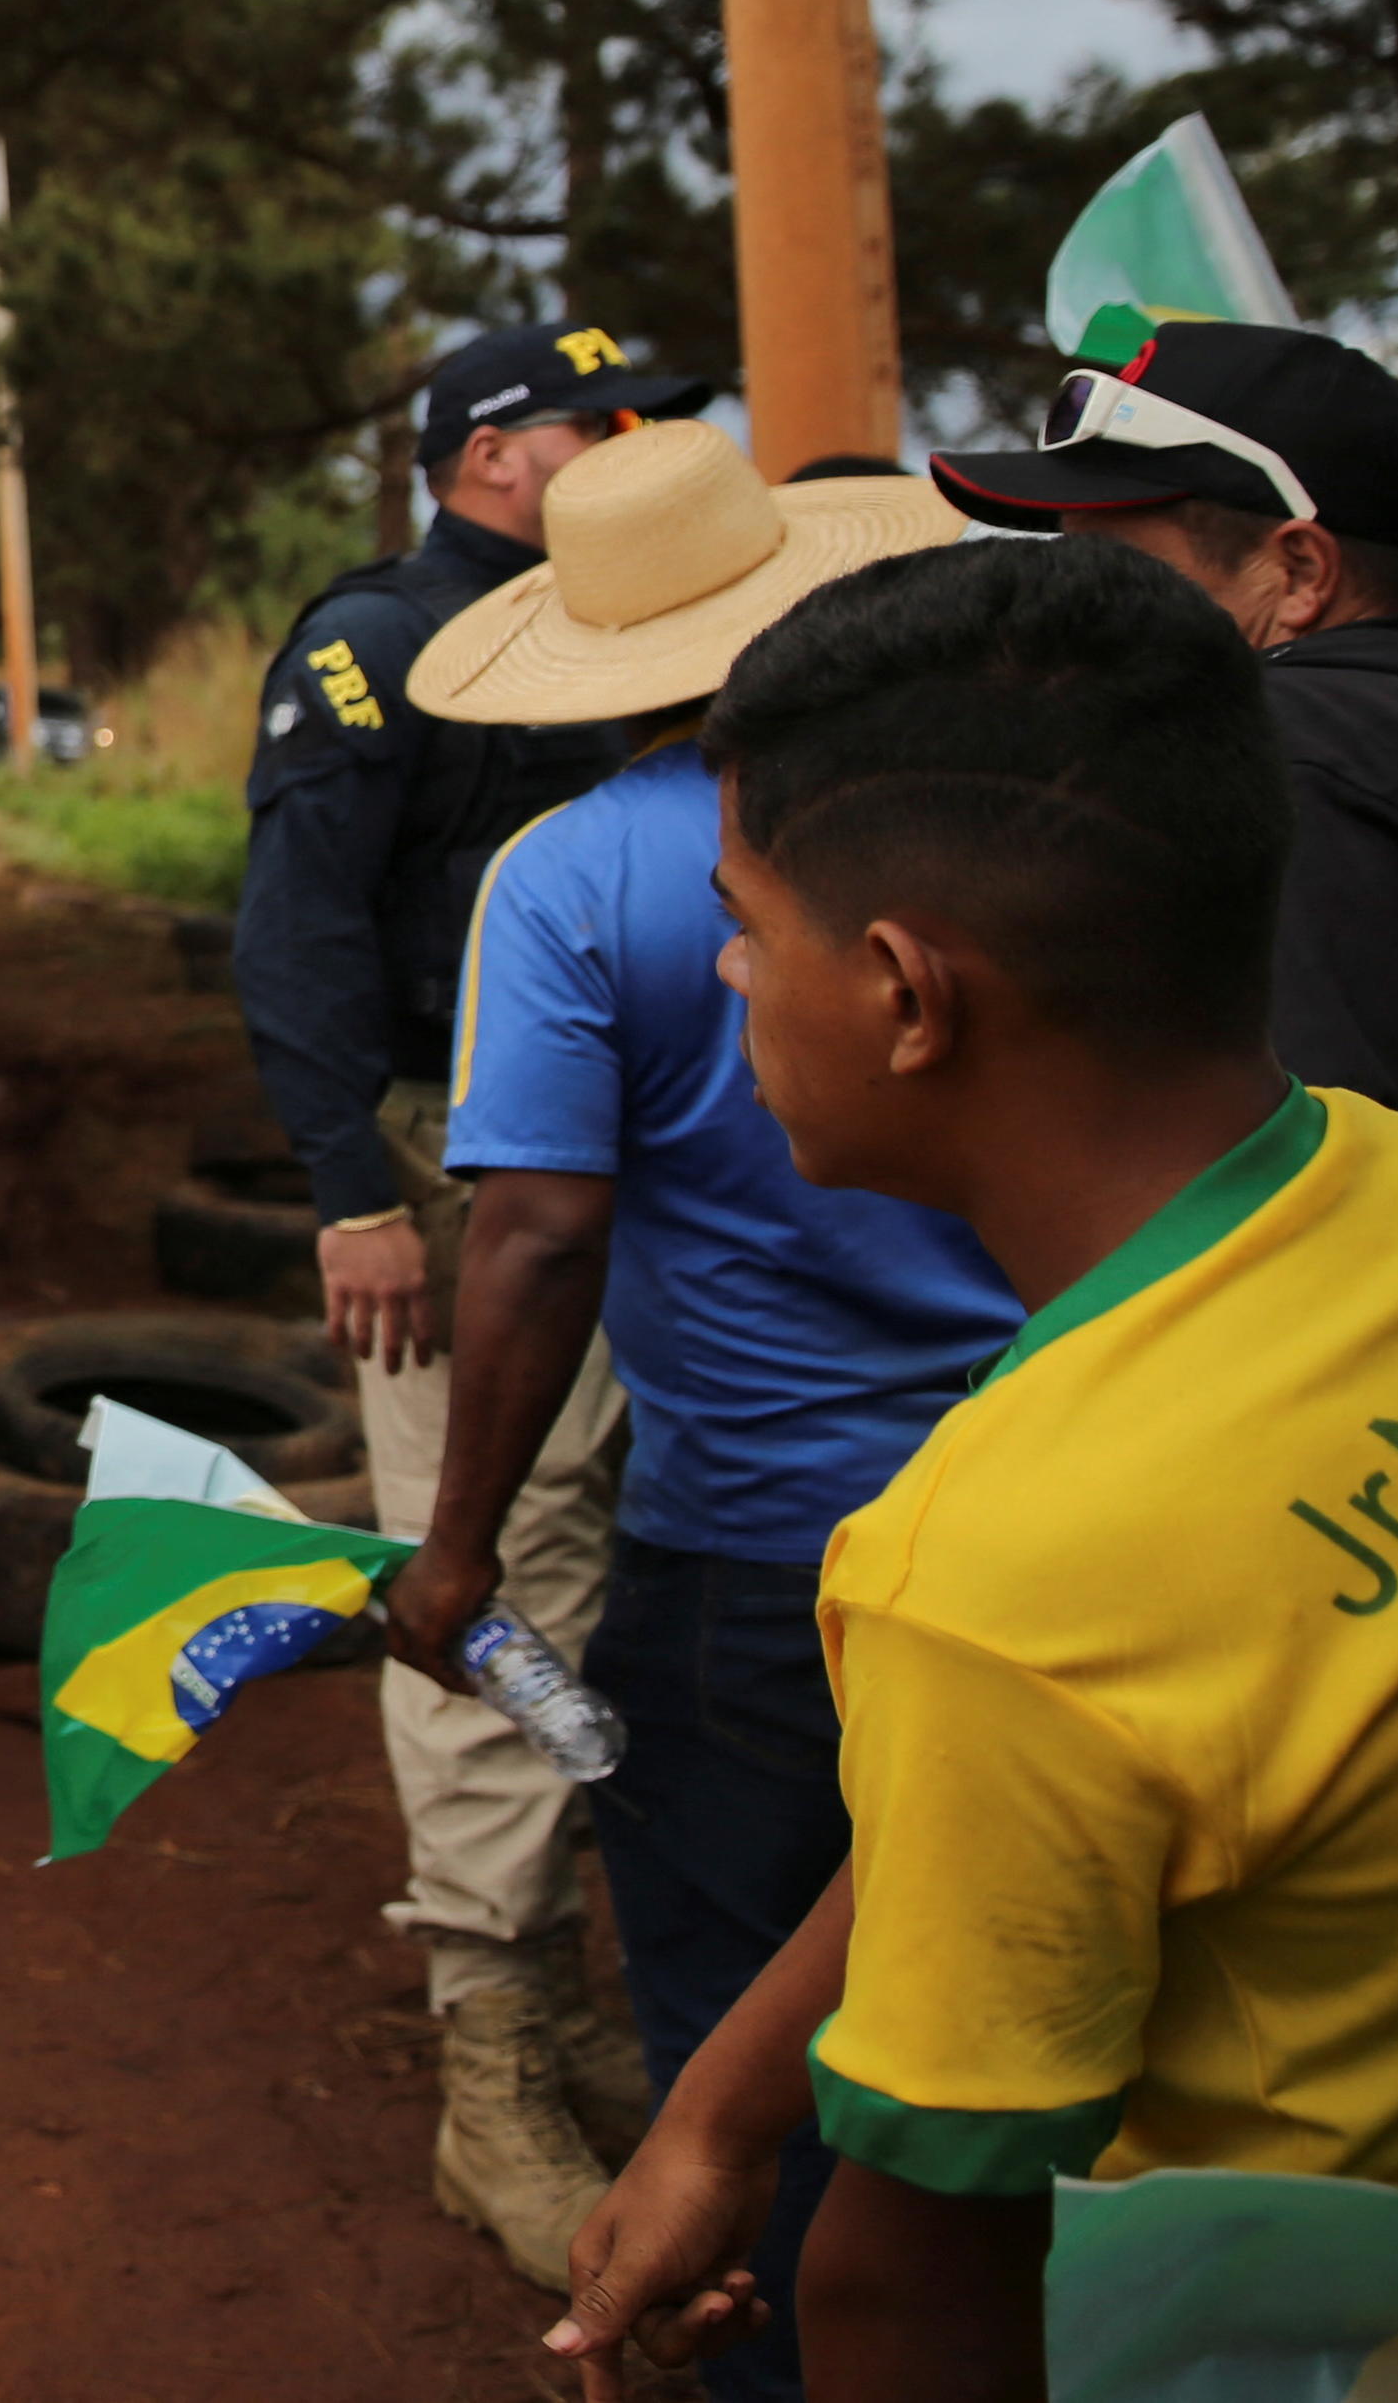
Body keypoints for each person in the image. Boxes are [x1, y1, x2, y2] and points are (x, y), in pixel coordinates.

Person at [553, 539, 1398, 2399]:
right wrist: (721, 2105)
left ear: (902, 995)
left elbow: (909, 2276)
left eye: (744, 922)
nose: (723, 969)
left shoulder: (994, 1568)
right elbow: (1064, 1797)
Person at [370, 423, 1016, 2402]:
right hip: (1025, 1525)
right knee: (1009, 1993)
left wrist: (460, 1544)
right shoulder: (985, 823)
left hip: (751, 1557)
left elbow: (539, 1234)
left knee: (750, 2040)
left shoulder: (569, 876)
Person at [235, 319, 709, 2273]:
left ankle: (553, 1972)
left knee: (594, 1557)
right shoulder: (378, 639)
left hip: (624, 1150)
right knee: (490, 1566)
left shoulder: (630, 630)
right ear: (489, 456)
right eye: (593, 422)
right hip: (450, 1168)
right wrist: (350, 1188)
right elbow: (299, 921)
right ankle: (486, 2045)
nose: (627, 444)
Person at [927, 315, 1398, 1187]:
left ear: (1300, 573)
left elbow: (1321, 1197)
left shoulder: (1284, 750)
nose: (1067, 619)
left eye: (1110, 573)